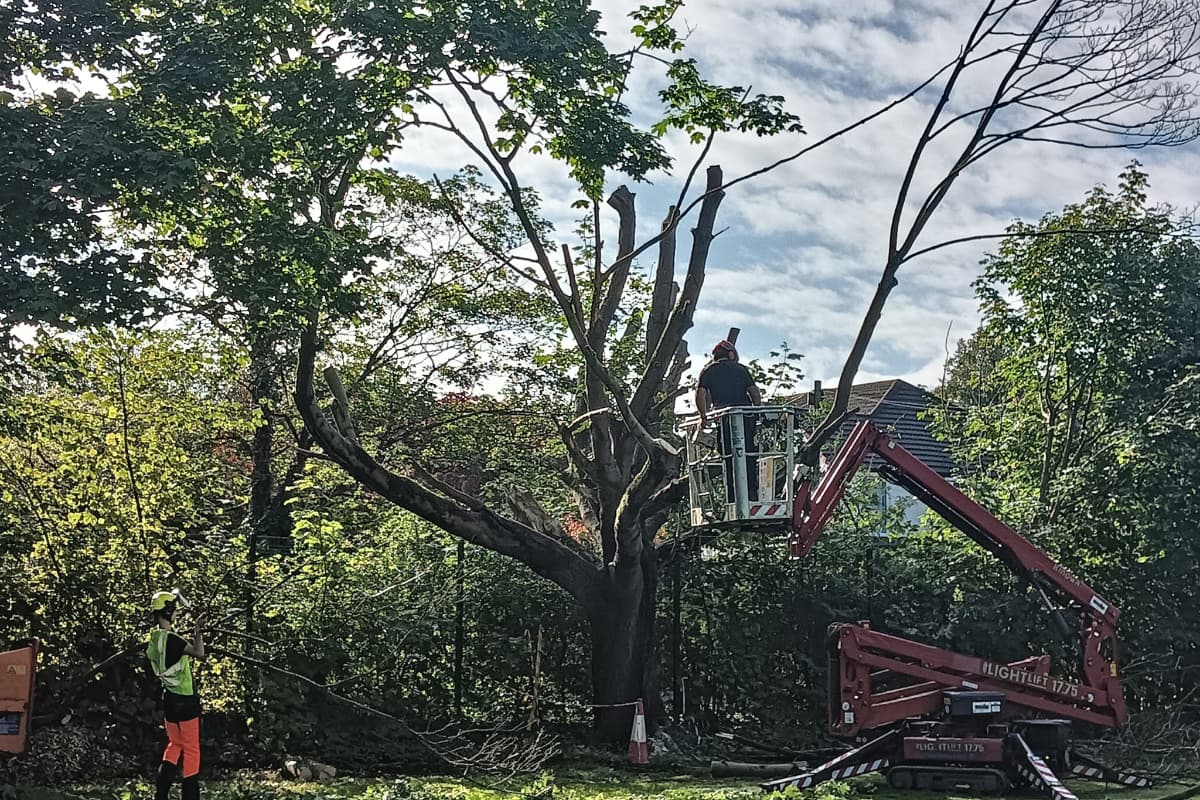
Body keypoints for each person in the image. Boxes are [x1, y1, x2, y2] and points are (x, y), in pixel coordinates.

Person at [147, 589, 205, 800]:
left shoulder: (155, 639)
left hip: (169, 699)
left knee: (175, 744)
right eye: (175, 610)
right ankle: (190, 796)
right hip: (186, 700)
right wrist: (198, 629)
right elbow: (200, 654)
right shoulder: (174, 640)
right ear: (169, 611)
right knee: (191, 749)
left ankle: (160, 794)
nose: (177, 613)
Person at [695, 339, 763, 501]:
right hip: (745, 419)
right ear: (731, 354)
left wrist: (703, 416)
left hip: (724, 421)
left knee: (728, 457)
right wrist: (757, 411)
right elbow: (755, 394)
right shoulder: (741, 370)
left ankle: (732, 497)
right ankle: (752, 495)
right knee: (749, 456)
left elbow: (700, 394)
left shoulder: (708, 371)